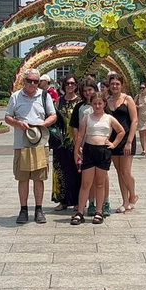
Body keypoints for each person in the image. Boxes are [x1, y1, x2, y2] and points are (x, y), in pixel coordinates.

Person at [4, 68, 57, 224]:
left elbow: (53, 115)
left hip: (40, 143)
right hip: (22, 144)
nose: (33, 84)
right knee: (23, 179)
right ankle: (23, 209)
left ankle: (39, 209)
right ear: (24, 81)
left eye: (36, 81)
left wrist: (42, 124)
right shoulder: (15, 97)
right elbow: (7, 117)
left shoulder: (44, 95)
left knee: (39, 178)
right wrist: (17, 123)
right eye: (30, 81)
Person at [71, 92, 126, 225]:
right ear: (91, 104)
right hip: (89, 150)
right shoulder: (87, 118)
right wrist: (76, 151)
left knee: (100, 183)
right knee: (86, 184)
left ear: (104, 104)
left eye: (100, 103)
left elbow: (121, 131)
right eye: (95, 103)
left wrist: (114, 144)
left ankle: (99, 211)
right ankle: (80, 212)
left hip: (103, 151)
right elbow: (80, 135)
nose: (97, 106)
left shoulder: (109, 118)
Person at [105, 73, 139, 213]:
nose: (115, 86)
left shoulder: (127, 99)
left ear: (121, 85)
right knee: (119, 172)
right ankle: (125, 201)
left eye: (117, 84)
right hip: (113, 139)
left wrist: (129, 141)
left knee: (126, 172)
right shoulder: (107, 100)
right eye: (112, 84)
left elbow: (135, 120)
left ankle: (133, 194)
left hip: (127, 139)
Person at [69, 79, 101, 216]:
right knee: (86, 178)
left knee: (100, 178)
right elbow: (75, 126)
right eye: (85, 90)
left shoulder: (100, 106)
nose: (88, 93)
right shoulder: (80, 107)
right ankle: (90, 202)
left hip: (99, 147)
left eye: (90, 90)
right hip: (85, 146)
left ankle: (103, 202)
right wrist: (78, 144)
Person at [52, 75, 82, 212]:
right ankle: (62, 200)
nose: (70, 86)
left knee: (77, 171)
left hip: (75, 141)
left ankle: (77, 201)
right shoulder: (59, 101)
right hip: (61, 142)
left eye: (72, 83)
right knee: (61, 171)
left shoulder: (80, 102)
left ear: (76, 85)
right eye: (67, 83)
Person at [134, 83, 146, 157]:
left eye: (143, 88)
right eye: (141, 88)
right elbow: (132, 105)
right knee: (141, 133)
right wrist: (138, 106)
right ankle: (144, 149)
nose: (142, 89)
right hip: (140, 117)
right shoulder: (138, 96)